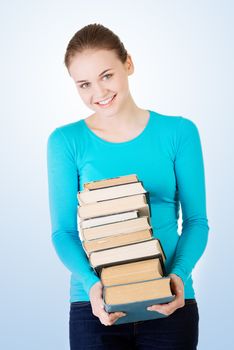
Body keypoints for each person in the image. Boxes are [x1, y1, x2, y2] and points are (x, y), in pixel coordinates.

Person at [47, 23, 209, 350]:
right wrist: (93, 287)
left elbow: (196, 222)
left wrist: (177, 275)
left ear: (128, 64)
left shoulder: (179, 132)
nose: (99, 93)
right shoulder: (65, 141)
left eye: (107, 75)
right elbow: (63, 232)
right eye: (84, 84)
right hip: (94, 307)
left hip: (171, 301)